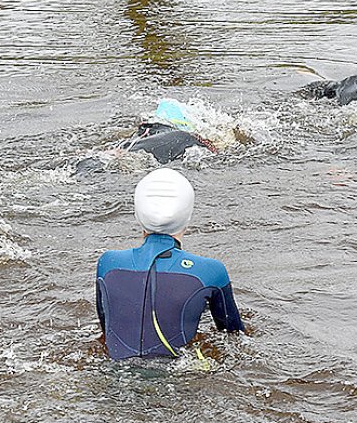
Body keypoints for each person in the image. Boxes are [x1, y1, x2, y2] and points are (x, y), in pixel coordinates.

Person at [94, 170, 245, 360]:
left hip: (114, 377)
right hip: (177, 380)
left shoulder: (108, 263)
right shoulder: (211, 271)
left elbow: (106, 329)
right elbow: (235, 337)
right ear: (188, 216)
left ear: (137, 215)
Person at [72, 99, 215, 174]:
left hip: (126, 152)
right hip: (143, 158)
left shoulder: (145, 130)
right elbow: (213, 151)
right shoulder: (186, 136)